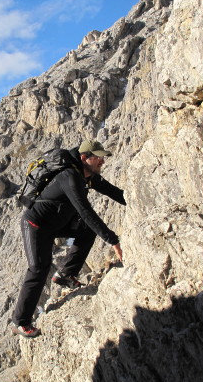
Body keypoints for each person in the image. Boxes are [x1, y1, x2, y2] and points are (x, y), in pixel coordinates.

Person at [11, 140, 126, 338]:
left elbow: (115, 192)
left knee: (87, 230)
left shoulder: (88, 176)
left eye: (103, 157)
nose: (102, 161)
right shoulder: (70, 177)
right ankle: (20, 322)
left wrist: (135, 200)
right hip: (35, 225)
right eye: (98, 157)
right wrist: (113, 240)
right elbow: (86, 211)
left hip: (56, 223)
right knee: (38, 268)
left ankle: (65, 274)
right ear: (84, 158)